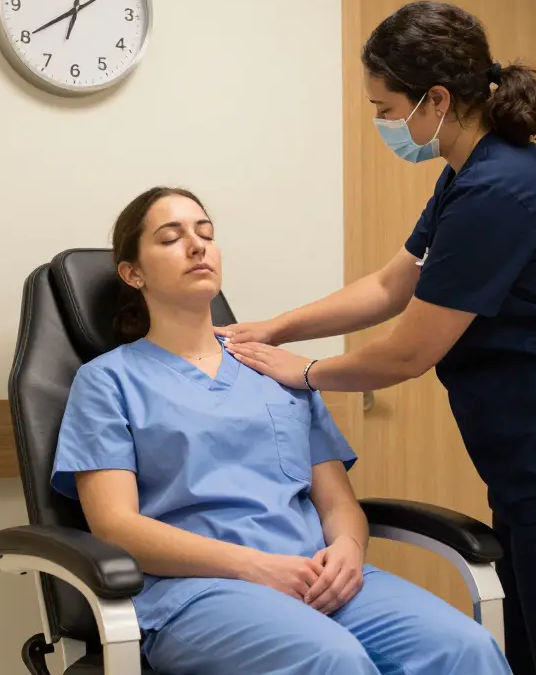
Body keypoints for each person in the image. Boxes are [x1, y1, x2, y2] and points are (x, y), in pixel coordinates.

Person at [219, 1, 536, 675]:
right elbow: (390, 285)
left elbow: (410, 350)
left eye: (385, 108)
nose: (382, 123)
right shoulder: (465, 175)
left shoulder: (501, 190)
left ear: (436, 99)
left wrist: (305, 371)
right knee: (535, 656)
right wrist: (273, 327)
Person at [50, 186, 512, 675]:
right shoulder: (108, 381)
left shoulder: (275, 370)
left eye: (206, 233)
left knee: (466, 648)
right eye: (171, 237)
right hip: (200, 590)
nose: (197, 245)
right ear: (133, 273)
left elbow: (337, 503)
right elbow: (115, 526)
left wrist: (347, 550)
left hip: (316, 575)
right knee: (333, 660)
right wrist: (255, 566)